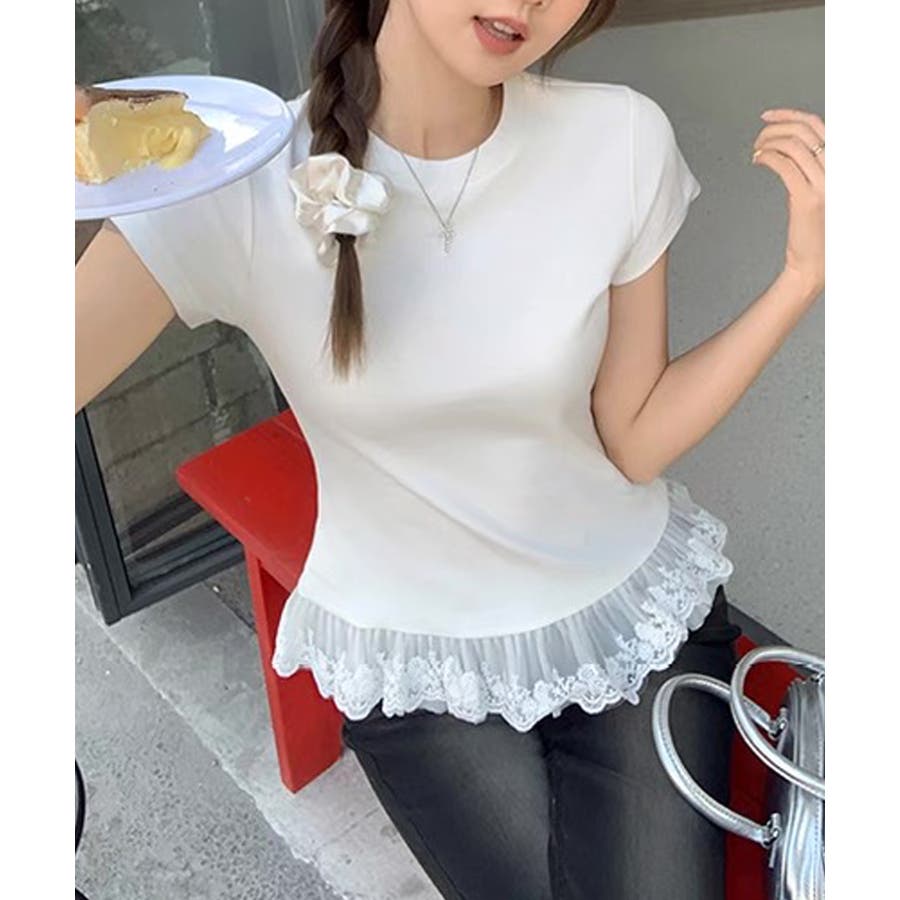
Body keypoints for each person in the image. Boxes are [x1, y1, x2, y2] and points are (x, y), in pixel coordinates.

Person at [75, 1, 825, 897]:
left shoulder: (621, 139)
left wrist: (799, 279)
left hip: (626, 612)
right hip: (416, 656)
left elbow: (633, 439)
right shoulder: (237, 180)